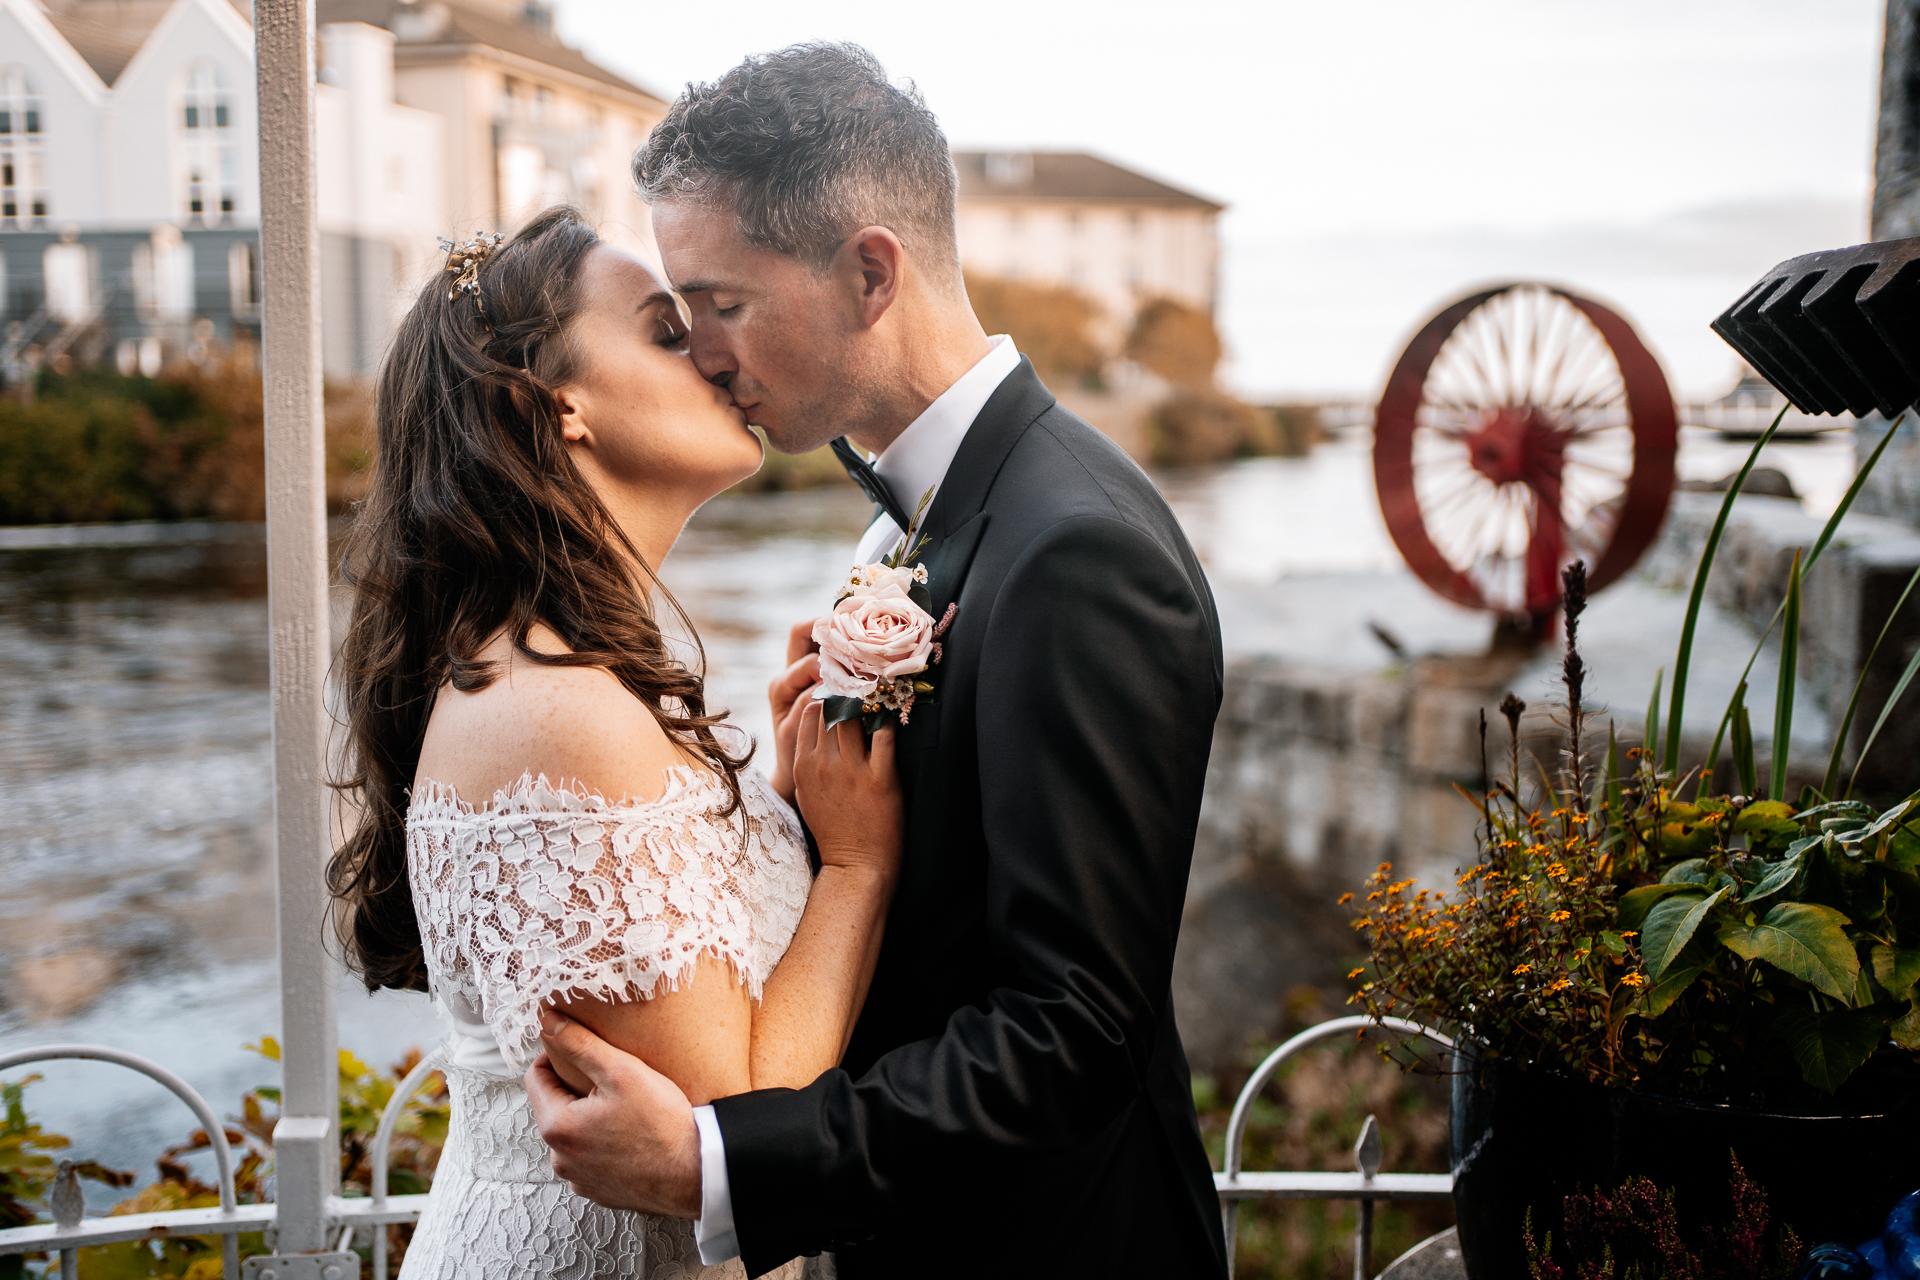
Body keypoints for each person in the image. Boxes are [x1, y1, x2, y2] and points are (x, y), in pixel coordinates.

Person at [525, 45, 1230, 1278]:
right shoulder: (909, 509)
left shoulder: (1078, 552)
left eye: (723, 305)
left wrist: (719, 1162)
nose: (703, 356)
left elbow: (1073, 1030)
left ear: (867, 271)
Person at [326, 205, 904, 1278]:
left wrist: (779, 812)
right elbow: (731, 1129)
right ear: (556, 404)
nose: (720, 358)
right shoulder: (564, 706)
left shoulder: (560, 668)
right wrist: (859, 865)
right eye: (666, 332)